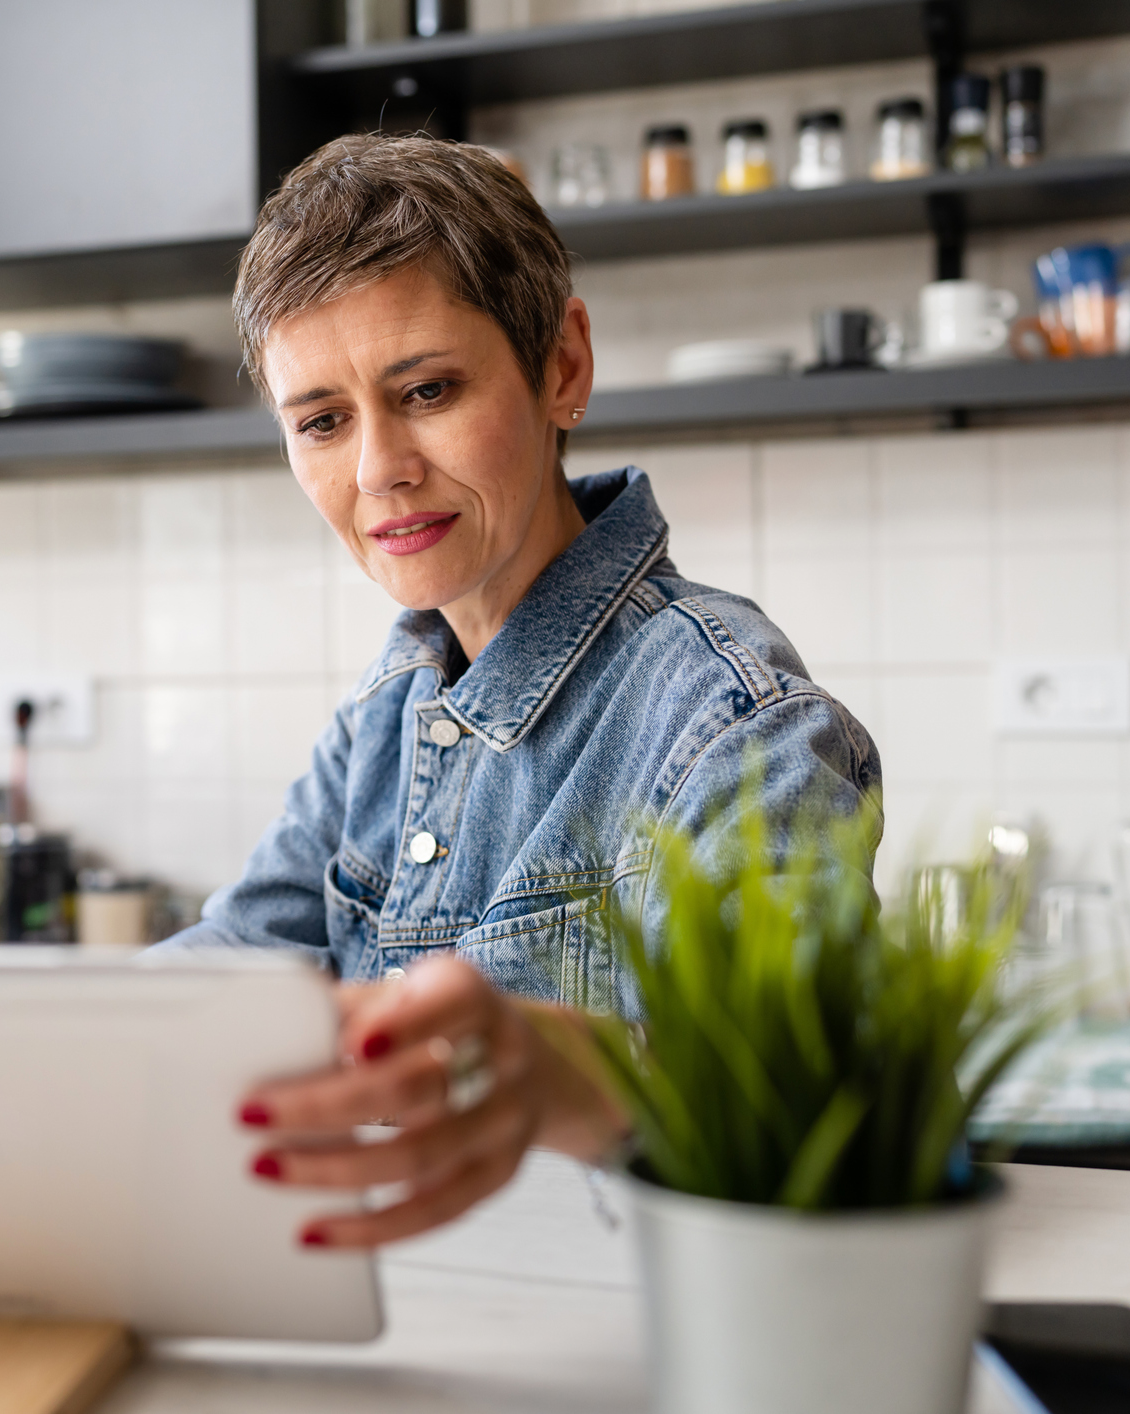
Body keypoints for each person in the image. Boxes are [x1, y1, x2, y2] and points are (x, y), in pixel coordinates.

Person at [153, 134, 881, 1248]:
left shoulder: (741, 725)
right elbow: (240, 962)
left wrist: (566, 1076)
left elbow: (801, 1114)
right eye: (321, 420)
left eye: (428, 389)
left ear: (562, 368)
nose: (376, 469)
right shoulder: (392, 704)